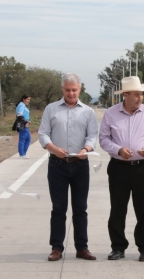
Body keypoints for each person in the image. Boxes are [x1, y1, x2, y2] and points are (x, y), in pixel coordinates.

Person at [99, 76, 144, 262]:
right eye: (136, 94)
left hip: (142, 167)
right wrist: (117, 149)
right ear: (125, 95)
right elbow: (103, 139)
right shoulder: (111, 113)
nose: (140, 98)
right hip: (118, 167)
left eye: (141, 94)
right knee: (118, 208)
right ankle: (118, 247)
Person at [38, 73, 98, 262]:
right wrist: (54, 149)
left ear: (80, 89)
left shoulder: (88, 112)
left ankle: (82, 247)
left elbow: (92, 136)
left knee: (80, 208)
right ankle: (56, 248)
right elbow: (43, 134)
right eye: (67, 90)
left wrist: (85, 149)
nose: (71, 93)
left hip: (80, 164)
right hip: (57, 165)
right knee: (58, 208)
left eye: (74, 90)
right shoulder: (51, 109)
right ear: (62, 90)